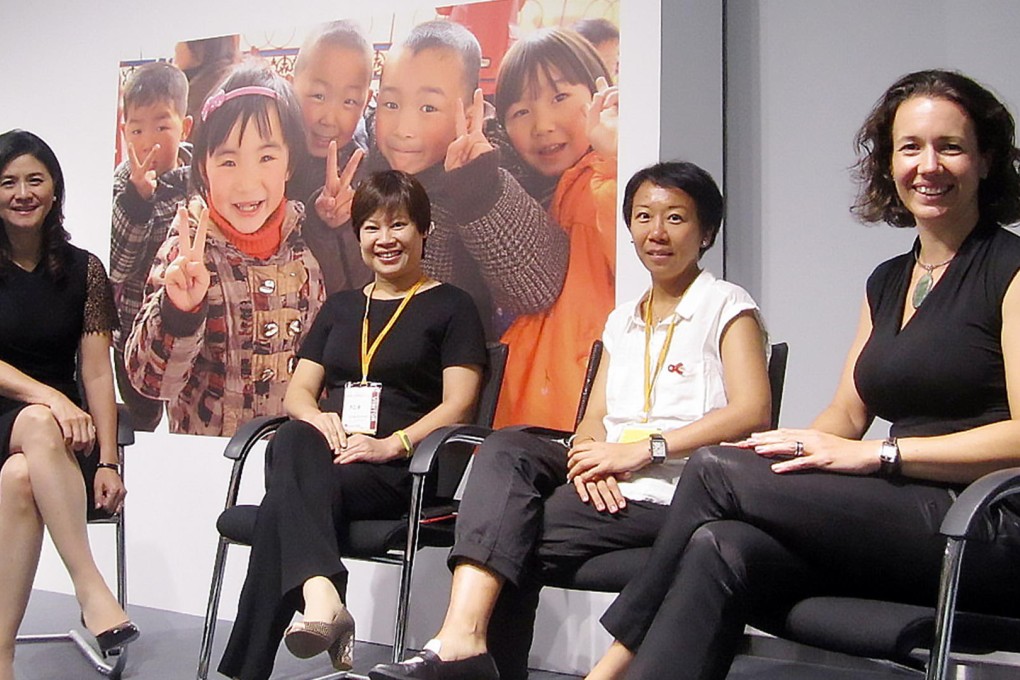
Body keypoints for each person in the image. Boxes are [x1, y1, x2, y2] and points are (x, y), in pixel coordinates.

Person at [586, 69, 1020, 680]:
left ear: (985, 159)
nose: (929, 165)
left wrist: (879, 457)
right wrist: (790, 459)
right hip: (910, 509)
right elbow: (846, 414)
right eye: (910, 148)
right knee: (724, 545)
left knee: (715, 469)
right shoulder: (890, 279)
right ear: (889, 165)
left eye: (949, 147)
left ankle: (607, 668)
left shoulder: (1010, 269)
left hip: (987, 519)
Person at [370, 161, 772, 680]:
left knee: (512, 535)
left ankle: (472, 658)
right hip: (610, 483)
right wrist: (587, 461)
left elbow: (751, 412)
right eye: (643, 216)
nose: (657, 232)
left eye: (675, 218)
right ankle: (461, 640)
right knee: (507, 446)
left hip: (676, 492)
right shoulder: (622, 319)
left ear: (706, 231)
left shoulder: (725, 305)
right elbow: (594, 419)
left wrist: (642, 450)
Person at [218, 169, 487, 680]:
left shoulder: (452, 306)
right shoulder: (342, 306)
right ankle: (323, 599)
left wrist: (392, 445)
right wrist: (319, 419)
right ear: (358, 234)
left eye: (399, 225)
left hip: (406, 469)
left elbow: (460, 404)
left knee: (282, 505)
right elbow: (299, 391)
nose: (384, 240)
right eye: (371, 227)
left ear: (423, 230)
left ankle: (264, 655)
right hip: (332, 460)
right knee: (294, 435)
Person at [0, 130, 139, 680]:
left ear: (54, 189)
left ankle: (1, 658)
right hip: (36, 417)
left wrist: (109, 460)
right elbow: (52, 398)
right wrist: (50, 397)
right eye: (8, 182)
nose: (22, 192)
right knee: (35, 421)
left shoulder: (84, 271)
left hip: (63, 442)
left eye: (35, 180)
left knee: (17, 479)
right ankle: (92, 588)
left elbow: (98, 372)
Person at [125, 62, 326, 436]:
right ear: (203, 167)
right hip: (211, 466)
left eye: (266, 157)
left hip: (290, 460)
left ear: (289, 164)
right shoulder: (187, 255)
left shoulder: (307, 243)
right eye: (228, 161)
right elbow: (151, 383)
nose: (247, 182)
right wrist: (180, 312)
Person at [357, 19, 570, 339]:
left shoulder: (488, 175)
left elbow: (538, 288)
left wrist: (480, 189)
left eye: (428, 107)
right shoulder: (365, 173)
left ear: (471, 113)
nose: (403, 128)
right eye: (391, 104)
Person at [492, 27, 619, 431]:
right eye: (520, 112)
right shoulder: (529, 198)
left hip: (587, 416)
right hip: (537, 410)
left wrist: (615, 158)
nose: (542, 124)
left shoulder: (606, 180)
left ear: (601, 92)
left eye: (560, 97)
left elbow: (637, 254)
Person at [110, 61, 193, 432]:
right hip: (132, 330)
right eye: (137, 129)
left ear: (185, 127)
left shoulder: (200, 180)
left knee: (182, 416)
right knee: (142, 420)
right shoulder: (120, 186)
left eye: (162, 126)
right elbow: (119, 266)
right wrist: (138, 199)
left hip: (187, 328)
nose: (149, 141)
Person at [288, 19, 374, 294]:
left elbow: (366, 282)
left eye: (349, 101)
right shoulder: (273, 155)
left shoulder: (366, 169)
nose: (329, 119)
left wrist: (343, 226)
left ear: (366, 100)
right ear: (291, 85)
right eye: (318, 96)